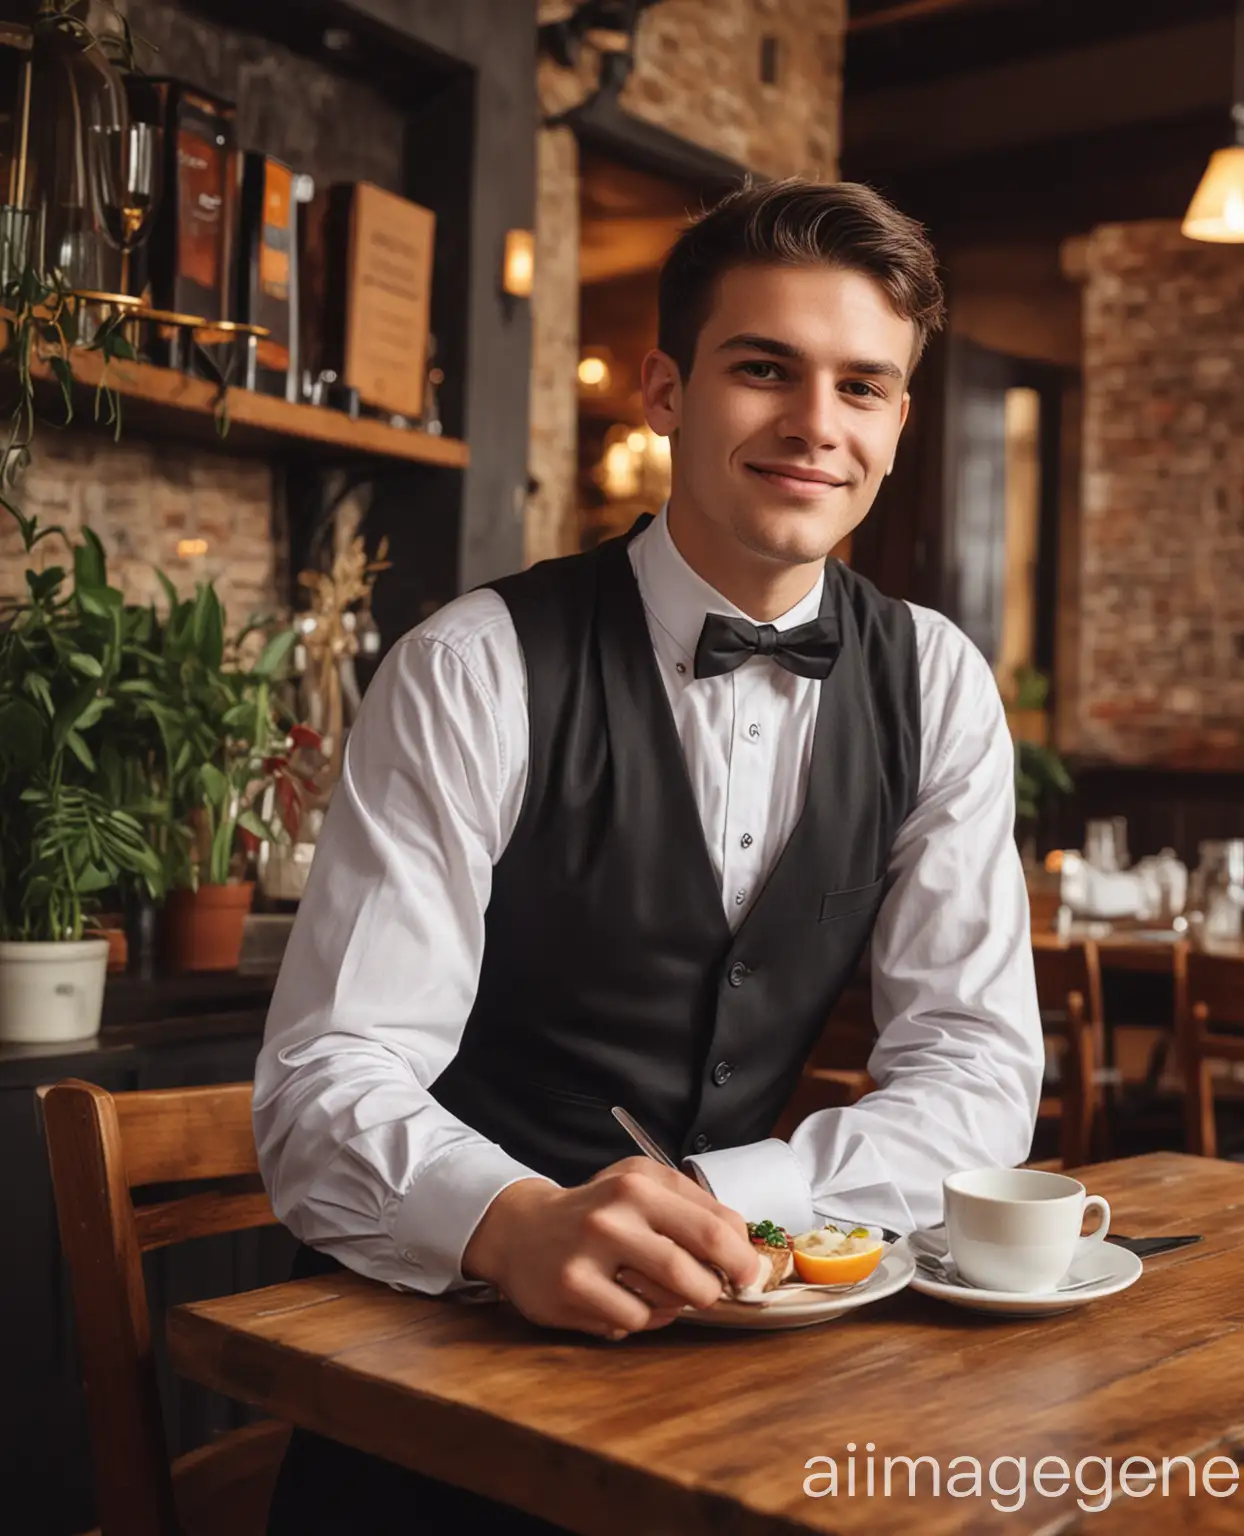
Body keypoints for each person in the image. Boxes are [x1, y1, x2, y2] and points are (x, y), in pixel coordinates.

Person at [256, 177, 1044, 1535]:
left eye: (864, 387)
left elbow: (976, 1067)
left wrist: (742, 1198)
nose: (816, 425)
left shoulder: (939, 683)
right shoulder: (473, 667)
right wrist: (507, 1224)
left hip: (769, 1382)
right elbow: (327, 1079)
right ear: (665, 389)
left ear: (902, 423)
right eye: (764, 371)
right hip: (454, 1387)